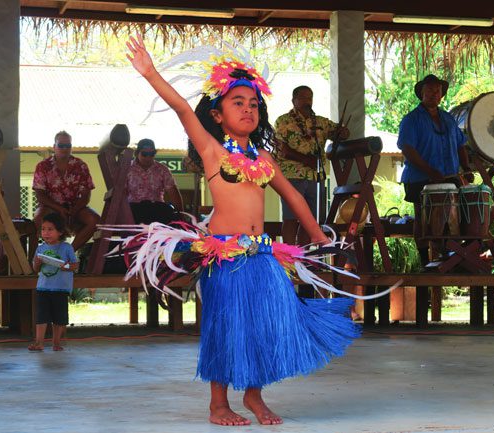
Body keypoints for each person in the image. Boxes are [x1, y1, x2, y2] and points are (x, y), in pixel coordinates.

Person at [126, 34, 359, 426]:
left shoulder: (264, 157)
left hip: (263, 254)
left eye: (253, 104)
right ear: (217, 114)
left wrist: (319, 236)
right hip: (223, 253)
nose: (248, 109)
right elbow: (183, 108)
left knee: (264, 324)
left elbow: (294, 198)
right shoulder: (213, 151)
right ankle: (219, 403)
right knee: (226, 326)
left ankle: (254, 396)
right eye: (238, 102)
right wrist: (150, 72)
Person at [397, 74, 472, 266]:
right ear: (421, 93)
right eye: (429, 90)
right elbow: (407, 149)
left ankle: (448, 257)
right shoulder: (411, 119)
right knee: (423, 218)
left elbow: (460, 144)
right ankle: (425, 260)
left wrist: (467, 167)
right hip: (419, 178)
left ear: (442, 95)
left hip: (449, 177)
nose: (433, 94)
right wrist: (430, 171)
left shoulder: (448, 118)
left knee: (452, 218)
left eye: (437, 90)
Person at [274, 85, 349, 245]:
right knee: (291, 218)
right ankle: (289, 258)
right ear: (294, 100)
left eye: (310, 98)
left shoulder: (320, 121)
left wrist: (343, 132)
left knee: (310, 221)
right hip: (292, 176)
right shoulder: (283, 121)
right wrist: (305, 159)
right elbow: (282, 149)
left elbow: (340, 132)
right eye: (303, 98)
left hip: (316, 177)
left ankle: (303, 257)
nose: (307, 101)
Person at [32, 131, 99, 251]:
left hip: (75, 207)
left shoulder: (80, 165)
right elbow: (40, 195)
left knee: (95, 220)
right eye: (61, 145)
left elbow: (86, 195)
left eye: (68, 146)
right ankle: (35, 258)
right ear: (54, 147)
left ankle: (68, 254)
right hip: (50, 207)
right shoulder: (43, 166)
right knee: (37, 219)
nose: (64, 149)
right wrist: (59, 208)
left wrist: (74, 210)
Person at [28, 212, 78, 352]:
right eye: (43, 229)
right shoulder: (41, 248)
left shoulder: (66, 248)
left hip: (60, 289)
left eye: (50, 229)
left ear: (60, 232)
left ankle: (56, 343)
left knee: (59, 318)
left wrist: (65, 266)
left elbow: (75, 265)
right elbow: (35, 268)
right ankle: (39, 343)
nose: (46, 233)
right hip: (43, 287)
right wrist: (37, 263)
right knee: (41, 317)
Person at [126, 138, 183, 224]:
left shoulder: (162, 169)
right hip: (134, 209)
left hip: (156, 209)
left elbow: (173, 192)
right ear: (137, 153)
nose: (148, 157)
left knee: (168, 214)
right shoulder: (127, 169)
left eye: (151, 154)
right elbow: (121, 193)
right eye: (144, 154)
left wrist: (181, 215)